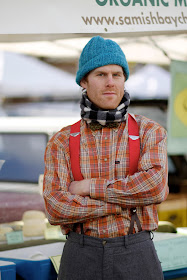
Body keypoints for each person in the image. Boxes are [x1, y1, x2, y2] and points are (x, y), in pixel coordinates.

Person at [43, 36, 169, 280]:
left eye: (117, 74)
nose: (110, 82)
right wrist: (127, 202)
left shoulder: (149, 131)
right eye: (101, 74)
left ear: (124, 79)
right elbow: (56, 208)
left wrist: (90, 187)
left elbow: (154, 188)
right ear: (84, 81)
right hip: (81, 254)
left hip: (136, 251)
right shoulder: (62, 140)